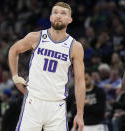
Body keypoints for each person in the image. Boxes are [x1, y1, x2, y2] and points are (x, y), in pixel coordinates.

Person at [8, 2, 85, 131]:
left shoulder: (75, 47)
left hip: (57, 106)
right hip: (34, 102)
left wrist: (80, 113)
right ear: (50, 17)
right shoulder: (36, 37)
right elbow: (13, 50)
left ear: (70, 20)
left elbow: (80, 80)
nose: (58, 16)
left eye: (63, 13)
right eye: (55, 12)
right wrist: (15, 76)